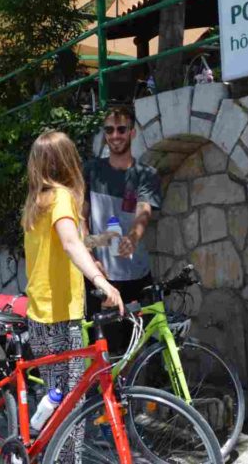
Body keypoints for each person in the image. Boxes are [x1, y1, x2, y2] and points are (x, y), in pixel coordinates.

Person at [21, 130, 123, 447]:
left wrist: (92, 258)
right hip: (62, 315)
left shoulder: (37, 201)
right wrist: (101, 281)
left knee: (56, 402)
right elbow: (68, 243)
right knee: (71, 410)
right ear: (68, 162)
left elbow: (69, 243)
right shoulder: (62, 197)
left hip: (40, 313)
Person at [85, 106, 162, 353]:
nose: (115, 135)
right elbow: (80, 216)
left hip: (138, 277)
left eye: (121, 129)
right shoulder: (91, 170)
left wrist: (133, 236)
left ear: (132, 132)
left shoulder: (146, 174)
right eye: (109, 129)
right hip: (102, 279)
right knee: (106, 352)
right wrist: (90, 257)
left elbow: (144, 211)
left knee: (142, 350)